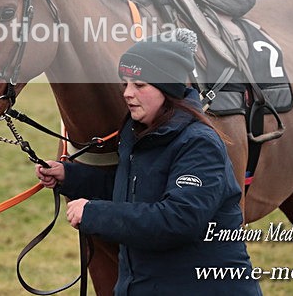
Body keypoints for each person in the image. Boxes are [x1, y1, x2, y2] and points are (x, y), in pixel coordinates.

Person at [36, 30, 262, 295]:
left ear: (167, 88)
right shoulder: (141, 134)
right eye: (126, 84)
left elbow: (178, 220)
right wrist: (71, 177)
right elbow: (135, 189)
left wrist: (94, 213)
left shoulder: (199, 143)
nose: (127, 94)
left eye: (140, 85)